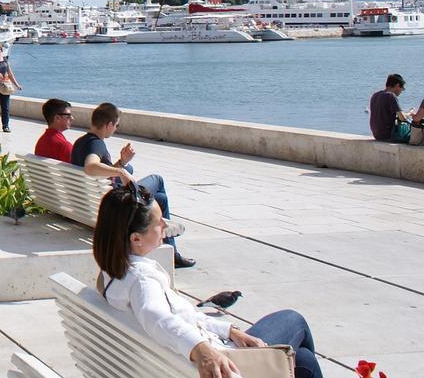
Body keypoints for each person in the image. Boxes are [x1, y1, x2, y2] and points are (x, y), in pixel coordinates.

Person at [93, 185, 322, 378]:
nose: (164, 225)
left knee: (302, 360)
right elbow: (156, 316)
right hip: (225, 362)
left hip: (183, 358)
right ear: (136, 239)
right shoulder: (143, 281)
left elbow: (176, 316)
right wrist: (202, 350)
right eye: (158, 222)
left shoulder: (112, 275)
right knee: (294, 321)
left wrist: (229, 330)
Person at [72, 102, 195, 269]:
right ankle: (172, 252)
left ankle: (171, 251)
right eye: (116, 125)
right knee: (157, 180)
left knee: (160, 199)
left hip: (92, 202)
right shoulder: (96, 143)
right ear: (109, 125)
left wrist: (122, 162)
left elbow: (100, 174)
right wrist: (122, 172)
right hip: (114, 203)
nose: (115, 129)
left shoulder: (81, 142)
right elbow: (90, 167)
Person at [369, 73, 409, 142]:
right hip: (387, 135)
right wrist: (410, 113)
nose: (401, 91)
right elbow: (402, 118)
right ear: (397, 85)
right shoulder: (391, 96)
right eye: (402, 88)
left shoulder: (375, 95)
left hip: (376, 134)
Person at [34, 98, 74, 162]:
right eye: (68, 115)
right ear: (57, 118)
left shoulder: (42, 141)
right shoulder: (65, 146)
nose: (72, 118)